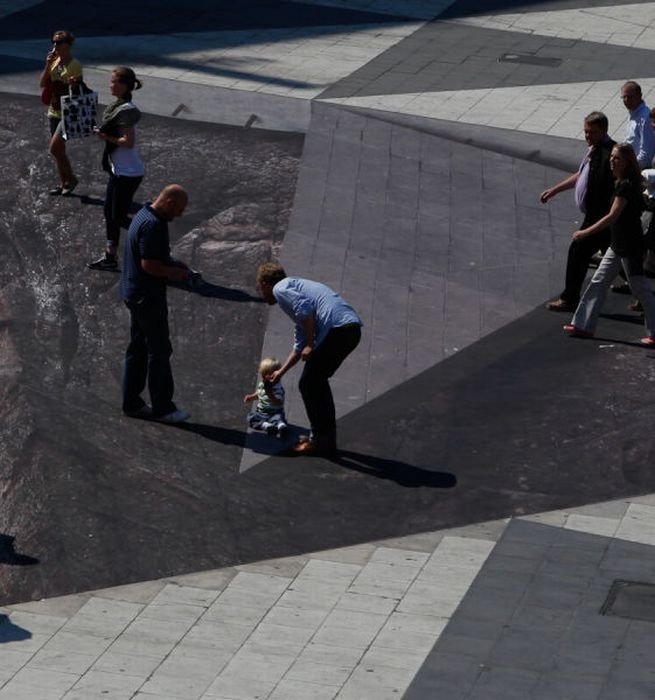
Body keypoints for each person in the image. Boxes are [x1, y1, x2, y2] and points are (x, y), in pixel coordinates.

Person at [257, 263, 362, 455]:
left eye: (260, 288)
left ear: (265, 283)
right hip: (351, 330)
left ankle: (322, 440)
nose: (262, 293)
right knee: (315, 382)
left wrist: (311, 345)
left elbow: (305, 311)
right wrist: (280, 373)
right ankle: (325, 439)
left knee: (310, 383)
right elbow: (300, 340)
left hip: (337, 330)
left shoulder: (280, 288)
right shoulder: (296, 292)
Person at [564, 143, 655, 344]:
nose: (612, 161)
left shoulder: (626, 186)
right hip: (618, 244)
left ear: (626, 162)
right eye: (612, 157)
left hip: (629, 246)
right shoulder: (623, 182)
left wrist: (585, 233)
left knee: (640, 289)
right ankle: (582, 325)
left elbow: (611, 217)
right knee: (598, 282)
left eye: (617, 159)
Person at [120, 184, 193, 423]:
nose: (178, 216)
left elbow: (152, 256)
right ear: (169, 202)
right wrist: (175, 273)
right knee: (160, 350)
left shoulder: (143, 215)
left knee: (138, 348)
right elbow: (150, 265)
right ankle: (163, 408)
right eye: (179, 210)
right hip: (147, 297)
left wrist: (172, 263)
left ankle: (131, 402)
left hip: (134, 293)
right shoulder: (154, 226)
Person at [541, 112, 616, 312]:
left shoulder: (609, 155)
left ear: (604, 131)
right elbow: (582, 175)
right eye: (585, 132)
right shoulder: (595, 150)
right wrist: (555, 190)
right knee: (623, 259)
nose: (587, 136)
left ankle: (569, 298)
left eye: (592, 132)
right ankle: (644, 298)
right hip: (598, 217)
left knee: (578, 251)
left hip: (600, 217)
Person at [89, 67, 145, 271]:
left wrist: (107, 138)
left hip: (129, 172)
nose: (110, 85)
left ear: (123, 85)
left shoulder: (127, 110)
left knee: (118, 217)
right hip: (119, 170)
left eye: (114, 82)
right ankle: (110, 256)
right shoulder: (117, 107)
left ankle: (149, 239)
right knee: (109, 213)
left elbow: (128, 142)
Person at [39, 30, 82, 196]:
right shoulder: (54, 61)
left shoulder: (74, 65)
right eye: (53, 42)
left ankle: (71, 178)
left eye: (59, 42)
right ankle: (64, 181)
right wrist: (48, 64)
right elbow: (43, 83)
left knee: (54, 148)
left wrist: (74, 83)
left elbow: (79, 90)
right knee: (59, 151)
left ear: (68, 44)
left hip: (67, 113)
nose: (55, 45)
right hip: (54, 110)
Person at [244, 357, 288, 437]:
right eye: (263, 376)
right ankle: (267, 426)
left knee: (278, 418)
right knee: (250, 418)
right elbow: (259, 394)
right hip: (261, 413)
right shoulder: (262, 384)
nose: (264, 379)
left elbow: (279, 402)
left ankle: (281, 426)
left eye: (267, 376)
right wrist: (252, 397)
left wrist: (271, 395)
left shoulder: (277, 388)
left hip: (274, 413)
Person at [621, 81, 655, 168]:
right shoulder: (633, 114)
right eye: (624, 97)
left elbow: (646, 155)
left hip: (636, 170)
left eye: (630, 97)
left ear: (640, 95)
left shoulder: (645, 118)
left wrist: (629, 169)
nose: (627, 100)